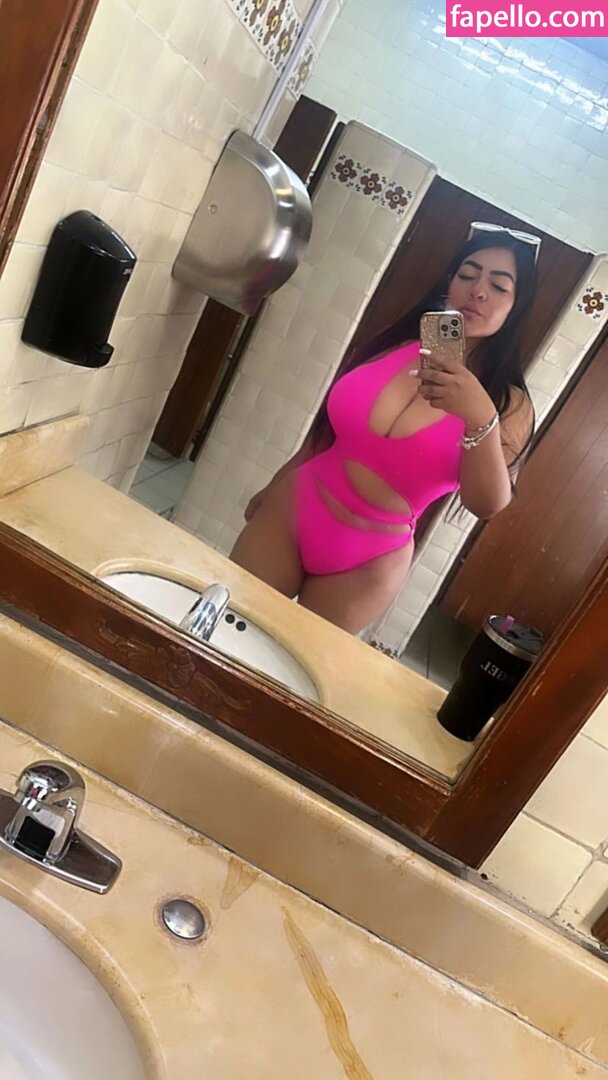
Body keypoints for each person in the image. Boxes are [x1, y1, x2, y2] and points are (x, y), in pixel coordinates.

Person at [230, 223, 539, 635]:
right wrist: (275, 482)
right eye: (467, 275)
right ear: (450, 283)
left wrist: (480, 415)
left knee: (292, 659)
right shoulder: (392, 344)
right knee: (225, 623)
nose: (478, 291)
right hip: (295, 505)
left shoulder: (508, 404)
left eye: (499, 286)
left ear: (517, 306)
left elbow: (486, 504)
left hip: (369, 558)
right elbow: (325, 434)